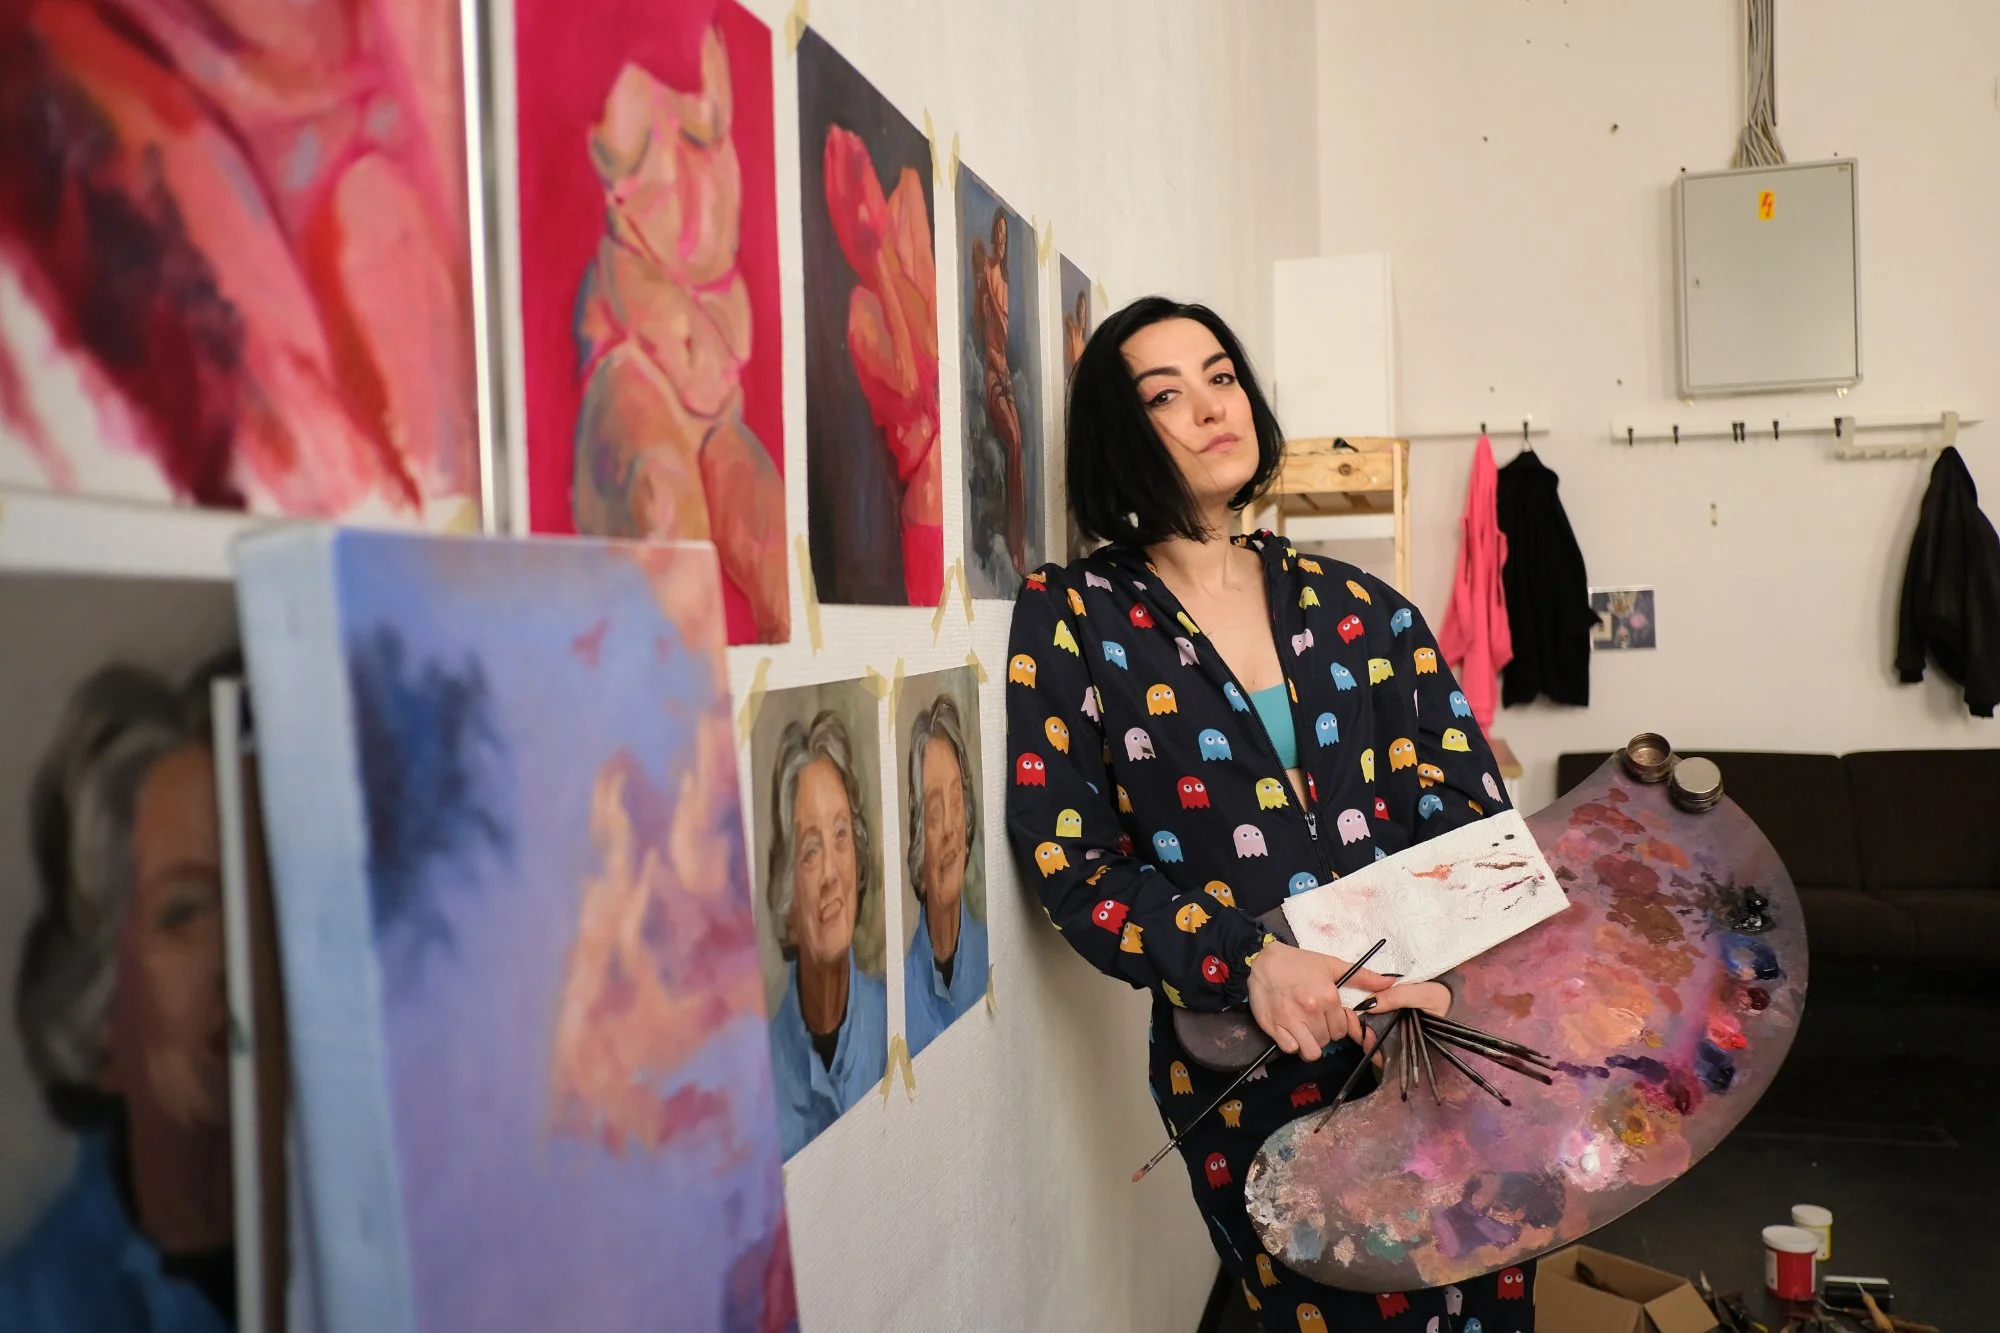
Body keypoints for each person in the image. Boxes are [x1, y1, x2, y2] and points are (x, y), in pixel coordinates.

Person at [1004, 298, 1532, 1329]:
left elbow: (1471, 815)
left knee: (1488, 1296)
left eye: (1221, 376)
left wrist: (1434, 969)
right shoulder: (1074, 617)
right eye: (1165, 394)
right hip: (1247, 1063)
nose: (1212, 406)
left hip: (1429, 1032)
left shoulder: (1361, 608)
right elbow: (1073, 867)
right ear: (1118, 434)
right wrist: (1247, 959)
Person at [2, 663, 237, 1332]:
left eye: (262, 897)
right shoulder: (37, 1309)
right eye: (186, 912)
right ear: (100, 1011)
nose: (236, 956)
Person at [763, 710, 888, 1158]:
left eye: (840, 835)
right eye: (811, 852)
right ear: (787, 894)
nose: (832, 874)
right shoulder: (763, 1073)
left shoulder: (893, 1017)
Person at [901, 694, 987, 1057]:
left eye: (956, 802)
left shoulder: (987, 951)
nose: (951, 828)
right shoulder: (901, 990)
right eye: (935, 811)